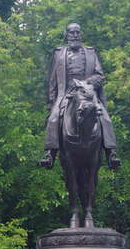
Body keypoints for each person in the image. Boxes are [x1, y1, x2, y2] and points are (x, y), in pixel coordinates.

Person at [40, 23, 120, 170]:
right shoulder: (58, 53)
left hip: (87, 93)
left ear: (81, 34)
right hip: (66, 95)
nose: (75, 35)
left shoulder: (91, 53)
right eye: (72, 33)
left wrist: (87, 83)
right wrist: (51, 102)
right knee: (53, 118)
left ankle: (111, 152)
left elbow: (100, 76)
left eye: (77, 32)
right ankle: (50, 153)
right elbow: (52, 81)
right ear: (67, 35)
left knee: (105, 118)